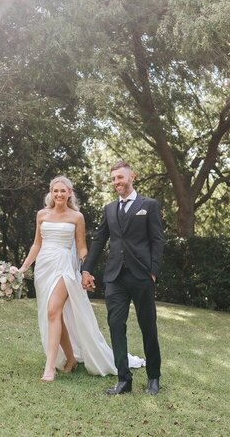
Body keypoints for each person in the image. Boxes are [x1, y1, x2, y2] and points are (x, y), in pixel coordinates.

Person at [15, 176, 144, 383]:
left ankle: (50, 367)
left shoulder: (76, 217)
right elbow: (36, 244)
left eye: (63, 191)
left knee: (52, 311)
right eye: (55, 191)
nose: (59, 194)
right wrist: (23, 268)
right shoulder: (42, 215)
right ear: (51, 193)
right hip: (44, 267)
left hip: (65, 266)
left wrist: (86, 268)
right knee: (54, 314)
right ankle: (71, 359)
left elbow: (82, 246)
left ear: (69, 193)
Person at [81, 161, 164, 395]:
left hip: (142, 276)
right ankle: (123, 380)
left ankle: (153, 378)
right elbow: (99, 241)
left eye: (120, 177)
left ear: (132, 176)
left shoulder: (148, 205)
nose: (117, 182)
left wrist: (154, 271)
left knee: (148, 326)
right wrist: (86, 269)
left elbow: (157, 240)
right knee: (116, 326)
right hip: (114, 277)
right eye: (113, 179)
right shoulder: (109, 209)